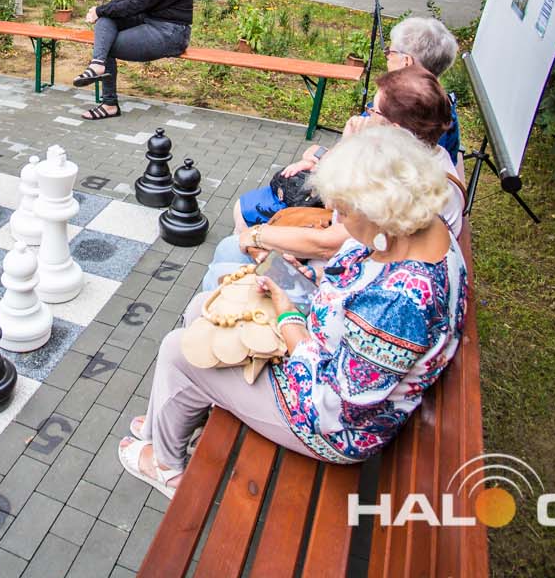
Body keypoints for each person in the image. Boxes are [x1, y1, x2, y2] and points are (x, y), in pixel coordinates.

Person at [119, 125, 468, 495]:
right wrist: (304, 282)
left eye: (344, 211)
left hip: (332, 426)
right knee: (200, 311)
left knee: (179, 351)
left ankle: (166, 466)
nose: (337, 219)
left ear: (378, 210)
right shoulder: (410, 226)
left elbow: (337, 405)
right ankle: (165, 426)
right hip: (325, 354)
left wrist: (288, 320)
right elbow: (354, 289)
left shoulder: (400, 305)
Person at [204, 64, 464, 300]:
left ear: (394, 129)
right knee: (230, 251)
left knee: (226, 260)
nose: (366, 117)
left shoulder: (407, 184)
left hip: (342, 285)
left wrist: (259, 235)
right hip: (342, 270)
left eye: (373, 110)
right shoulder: (420, 162)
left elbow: (330, 242)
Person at [72, 0, 192, 120]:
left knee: (106, 45)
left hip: (170, 32)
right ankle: (98, 65)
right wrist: (101, 11)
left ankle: (109, 102)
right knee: (106, 21)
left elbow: (137, 4)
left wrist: (99, 10)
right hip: (148, 21)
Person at [384, 16, 462, 164]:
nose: (387, 57)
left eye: (390, 53)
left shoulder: (397, 109)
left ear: (406, 61)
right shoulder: (444, 106)